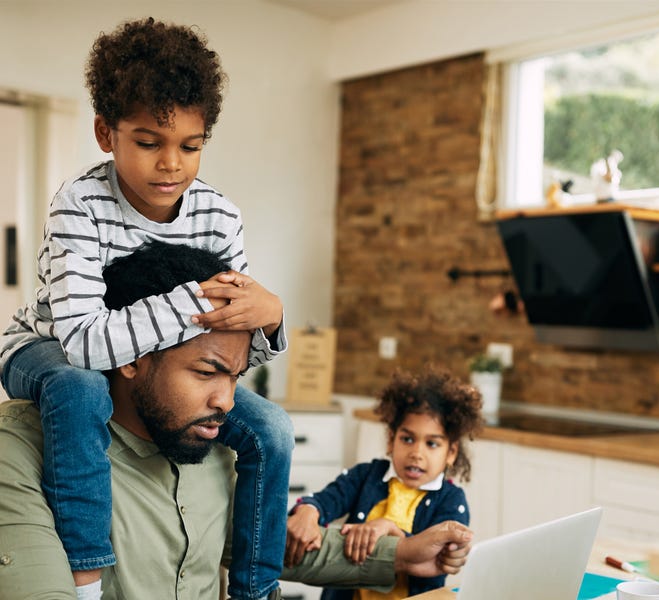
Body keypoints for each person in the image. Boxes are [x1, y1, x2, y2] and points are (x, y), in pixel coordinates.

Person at [0, 18, 291, 600]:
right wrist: (193, 300)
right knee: (82, 389)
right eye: (149, 142)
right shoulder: (78, 205)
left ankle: (256, 588)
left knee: (273, 429)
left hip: (126, 358)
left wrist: (270, 315)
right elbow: (84, 341)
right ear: (106, 133)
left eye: (191, 145)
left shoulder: (219, 215)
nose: (172, 165)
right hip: (44, 346)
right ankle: (86, 571)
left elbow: (227, 343)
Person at [0, 241, 473, 599]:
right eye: (207, 371)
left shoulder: (218, 440)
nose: (227, 401)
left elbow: (262, 543)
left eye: (236, 376)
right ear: (130, 355)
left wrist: (404, 555)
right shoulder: (21, 448)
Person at [285, 367, 484, 599]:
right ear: (391, 440)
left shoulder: (451, 500)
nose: (416, 453)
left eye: (432, 444)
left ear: (451, 452)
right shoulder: (365, 476)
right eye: (407, 439)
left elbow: (435, 560)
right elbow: (324, 500)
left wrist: (391, 529)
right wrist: (309, 510)